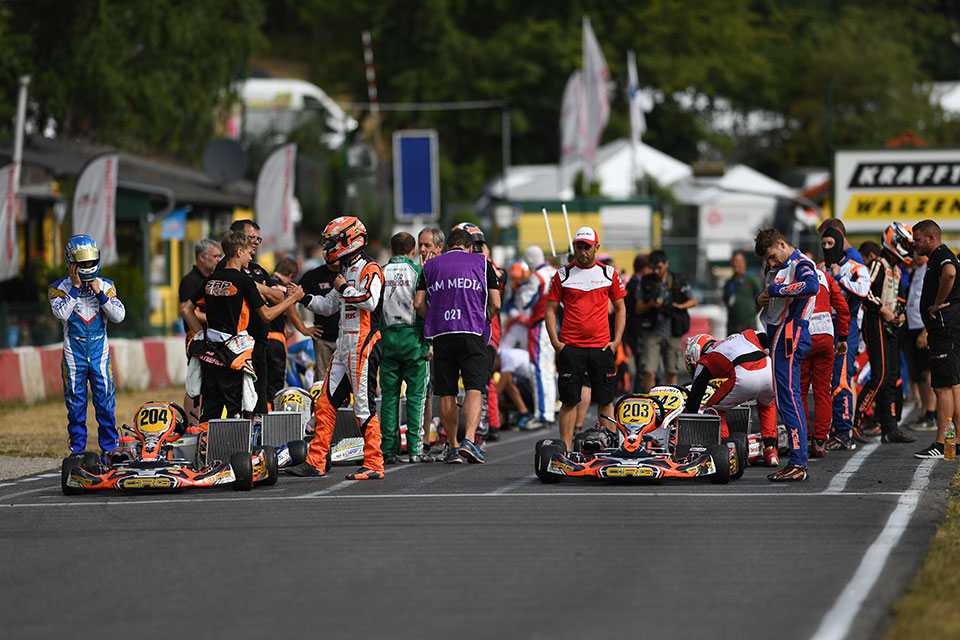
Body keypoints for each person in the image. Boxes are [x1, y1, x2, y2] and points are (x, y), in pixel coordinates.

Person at [286, 216, 386, 480]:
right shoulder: (343, 270)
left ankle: (374, 463)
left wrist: (345, 288)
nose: (328, 246)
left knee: (363, 407)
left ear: (349, 240)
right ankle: (316, 461)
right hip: (344, 345)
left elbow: (371, 301)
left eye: (332, 241)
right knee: (325, 403)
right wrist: (303, 297)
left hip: (364, 344)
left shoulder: (370, 268)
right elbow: (329, 305)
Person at [182, 231, 302, 423]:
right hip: (233, 355)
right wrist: (292, 299)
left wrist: (200, 335)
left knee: (210, 409)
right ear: (239, 252)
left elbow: (187, 310)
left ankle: (205, 450)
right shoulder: (244, 280)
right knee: (236, 410)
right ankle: (235, 450)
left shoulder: (211, 279)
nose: (251, 256)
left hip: (209, 354)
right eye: (248, 252)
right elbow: (267, 315)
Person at [413, 227, 501, 464]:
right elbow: (495, 302)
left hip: (442, 333)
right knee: (474, 386)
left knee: (447, 391)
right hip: (472, 330)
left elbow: (418, 303)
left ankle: (452, 446)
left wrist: (432, 318)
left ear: (448, 245)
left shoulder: (430, 266)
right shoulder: (482, 263)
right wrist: (485, 320)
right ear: (470, 246)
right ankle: (470, 441)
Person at [544, 227, 626, 449]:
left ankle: (609, 449)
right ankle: (566, 450)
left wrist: (616, 341)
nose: (582, 251)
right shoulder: (563, 274)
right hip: (571, 348)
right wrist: (556, 343)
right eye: (579, 247)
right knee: (570, 401)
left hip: (601, 348)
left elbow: (620, 308)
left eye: (587, 247)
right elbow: (549, 310)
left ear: (596, 247)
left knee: (606, 400)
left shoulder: (608, 273)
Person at [49, 235, 126, 458]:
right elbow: (61, 313)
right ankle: (77, 452)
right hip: (74, 354)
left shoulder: (107, 286)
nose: (88, 266)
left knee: (105, 402)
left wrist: (99, 292)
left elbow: (119, 316)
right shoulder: (57, 289)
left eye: (91, 261)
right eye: (82, 263)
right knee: (75, 405)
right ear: (71, 263)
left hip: (99, 353)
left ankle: (110, 450)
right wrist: (75, 288)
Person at [754, 228, 819, 482]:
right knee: (786, 398)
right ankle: (797, 459)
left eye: (771, 256)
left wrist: (776, 291)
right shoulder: (780, 267)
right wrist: (763, 295)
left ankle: (798, 462)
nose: (770, 263)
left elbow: (812, 285)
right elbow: (765, 298)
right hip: (780, 333)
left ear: (782, 244)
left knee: (788, 398)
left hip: (791, 332)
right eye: (767, 260)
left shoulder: (801, 263)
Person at [855, 225, 916, 445]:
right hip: (875, 322)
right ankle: (855, 422)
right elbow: (864, 291)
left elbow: (900, 299)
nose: (909, 249)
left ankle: (890, 428)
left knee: (891, 377)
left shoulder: (896, 270)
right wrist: (881, 309)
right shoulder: (877, 265)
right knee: (879, 376)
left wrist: (900, 315)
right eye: (906, 244)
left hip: (890, 326)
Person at [683, 331, 780, 466]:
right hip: (769, 370)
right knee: (767, 405)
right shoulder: (741, 336)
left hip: (744, 376)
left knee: (713, 409)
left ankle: (726, 449)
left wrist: (688, 416)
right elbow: (769, 338)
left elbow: (696, 392)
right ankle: (770, 451)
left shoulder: (707, 358)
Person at [380, 232, 431, 464]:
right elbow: (426, 305)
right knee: (416, 397)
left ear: (391, 251)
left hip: (387, 339)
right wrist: (429, 341)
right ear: (413, 251)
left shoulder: (379, 272)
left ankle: (388, 451)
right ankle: (414, 450)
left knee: (389, 398)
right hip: (414, 340)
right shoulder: (419, 272)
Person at [819, 227, 870, 452]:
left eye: (831, 243)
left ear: (839, 243)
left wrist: (839, 276)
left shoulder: (857, 268)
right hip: (821, 327)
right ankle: (823, 428)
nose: (827, 248)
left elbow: (862, 292)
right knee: (821, 381)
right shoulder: (818, 268)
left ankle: (843, 432)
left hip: (845, 327)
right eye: (824, 244)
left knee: (840, 380)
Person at [912, 220, 960, 459]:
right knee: (954, 385)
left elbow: (950, 272)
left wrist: (939, 301)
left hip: (944, 330)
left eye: (917, 239)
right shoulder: (940, 256)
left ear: (931, 238)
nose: (914, 243)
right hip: (949, 328)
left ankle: (943, 444)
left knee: (943, 388)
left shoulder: (942, 255)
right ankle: (955, 443)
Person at [800, 262, 850, 457]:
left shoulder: (793, 274)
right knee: (822, 391)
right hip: (826, 337)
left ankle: (803, 437)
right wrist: (843, 336)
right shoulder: (825, 277)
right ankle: (820, 440)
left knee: (800, 390)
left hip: (803, 337)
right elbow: (842, 306)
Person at [636, 250, 697, 392]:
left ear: (666, 264)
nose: (656, 271)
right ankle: (650, 403)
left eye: (659, 268)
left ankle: (670, 403)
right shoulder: (646, 281)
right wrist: (651, 304)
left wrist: (678, 306)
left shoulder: (678, 279)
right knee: (649, 371)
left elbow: (693, 301)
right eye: (653, 268)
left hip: (674, 331)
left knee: (671, 371)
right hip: (652, 331)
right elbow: (638, 308)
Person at [178, 238, 222, 415]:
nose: (219, 260)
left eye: (220, 256)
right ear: (202, 258)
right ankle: (192, 424)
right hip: (195, 337)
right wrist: (215, 318)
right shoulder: (190, 281)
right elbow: (186, 310)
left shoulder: (213, 279)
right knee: (196, 382)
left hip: (210, 337)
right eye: (215, 256)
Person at [268, 257, 320, 405]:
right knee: (276, 384)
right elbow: (291, 311)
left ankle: (259, 419)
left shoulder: (263, 281)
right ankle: (273, 417)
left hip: (257, 339)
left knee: (261, 382)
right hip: (276, 338)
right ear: (291, 276)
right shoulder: (285, 289)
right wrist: (304, 329)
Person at [518, 245, 558, 429]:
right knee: (549, 370)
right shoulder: (556, 272)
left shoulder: (538, 277)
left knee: (539, 371)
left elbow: (525, 302)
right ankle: (549, 411)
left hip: (540, 324)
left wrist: (523, 284)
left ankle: (542, 414)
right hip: (555, 324)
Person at [902, 249, 938, 432]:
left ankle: (932, 414)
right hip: (911, 326)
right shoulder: (917, 270)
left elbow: (933, 302)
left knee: (928, 373)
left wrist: (925, 331)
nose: (911, 256)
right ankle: (925, 412)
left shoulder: (930, 269)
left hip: (922, 327)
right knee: (918, 374)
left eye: (914, 252)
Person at [417, 227, 445, 457]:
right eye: (420, 245)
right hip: (423, 338)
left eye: (427, 245)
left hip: (444, 337)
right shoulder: (420, 271)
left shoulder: (444, 270)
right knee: (426, 392)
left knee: (446, 391)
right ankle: (425, 441)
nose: (423, 250)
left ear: (439, 247)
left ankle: (449, 439)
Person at [297, 257, 340, 382]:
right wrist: (302, 328)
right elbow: (291, 299)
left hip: (348, 339)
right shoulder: (313, 275)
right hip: (323, 339)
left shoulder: (351, 272)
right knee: (323, 382)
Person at [623, 253, 651, 392]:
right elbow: (636, 309)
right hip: (637, 330)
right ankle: (640, 396)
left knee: (644, 365)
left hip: (636, 329)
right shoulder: (635, 285)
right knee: (643, 365)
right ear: (644, 268)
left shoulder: (634, 283)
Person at [724, 250, 762, 334]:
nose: (736, 264)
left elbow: (761, 298)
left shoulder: (751, 280)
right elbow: (726, 300)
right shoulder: (728, 283)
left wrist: (751, 312)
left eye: (739, 261)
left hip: (748, 324)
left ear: (744, 263)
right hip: (732, 324)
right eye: (734, 261)